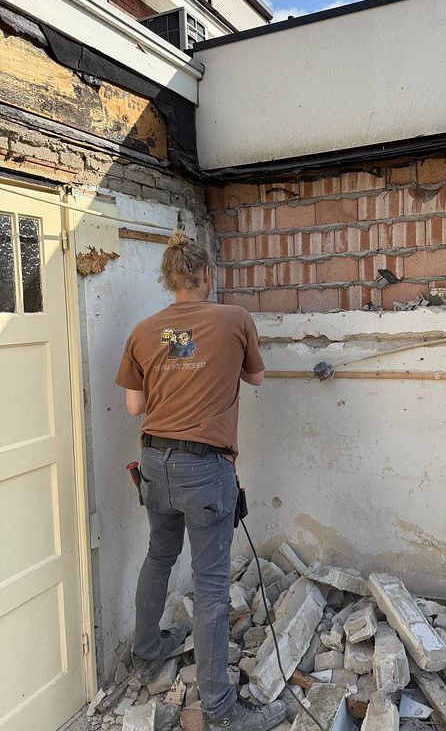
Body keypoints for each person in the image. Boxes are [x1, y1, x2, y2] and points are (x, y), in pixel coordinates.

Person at [115, 230, 286, 731]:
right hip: (204, 469)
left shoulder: (145, 331)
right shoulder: (234, 319)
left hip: (153, 463)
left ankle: (147, 652)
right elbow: (256, 379)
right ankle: (220, 710)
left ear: (168, 280)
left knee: (159, 556)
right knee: (211, 587)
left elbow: (134, 405)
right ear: (206, 274)